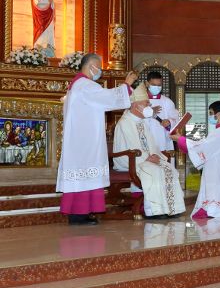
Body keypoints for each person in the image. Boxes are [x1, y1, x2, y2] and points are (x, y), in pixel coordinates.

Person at [57, 54, 137, 225]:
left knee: (83, 176)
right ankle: (79, 215)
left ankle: (81, 213)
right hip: (85, 142)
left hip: (81, 140)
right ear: (92, 65)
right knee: (85, 174)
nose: (100, 70)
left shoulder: (76, 86)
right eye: (99, 66)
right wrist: (127, 85)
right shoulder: (85, 85)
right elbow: (108, 98)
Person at [112, 83, 185, 218]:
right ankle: (155, 211)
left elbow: (151, 143)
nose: (149, 107)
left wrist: (156, 156)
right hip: (129, 160)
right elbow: (131, 146)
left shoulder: (141, 121)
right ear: (136, 105)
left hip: (143, 158)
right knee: (154, 171)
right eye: (146, 104)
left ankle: (171, 208)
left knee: (169, 168)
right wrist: (147, 157)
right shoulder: (125, 122)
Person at [171, 100, 220, 219]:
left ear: (218, 114)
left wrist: (180, 139)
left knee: (217, 193)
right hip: (219, 167)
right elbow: (206, 146)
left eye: (211, 113)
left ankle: (216, 208)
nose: (210, 116)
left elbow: (203, 146)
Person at [144, 71, 181, 151]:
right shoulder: (139, 100)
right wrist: (148, 111)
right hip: (144, 140)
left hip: (163, 141)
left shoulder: (167, 101)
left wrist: (169, 122)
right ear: (147, 84)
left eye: (159, 85)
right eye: (153, 85)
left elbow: (176, 119)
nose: (157, 87)